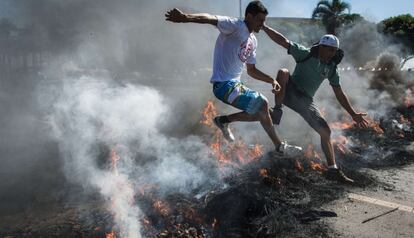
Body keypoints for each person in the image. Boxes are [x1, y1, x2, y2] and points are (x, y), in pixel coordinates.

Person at [165, 1, 301, 155]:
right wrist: (185, 17)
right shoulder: (235, 25)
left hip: (235, 84)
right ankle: (280, 147)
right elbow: (210, 18)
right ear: (249, 16)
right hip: (223, 85)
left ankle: (223, 121)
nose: (262, 25)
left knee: (264, 114)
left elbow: (252, 70)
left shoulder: (253, 41)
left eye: (264, 21)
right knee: (263, 103)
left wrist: (272, 80)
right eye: (260, 20)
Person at [262, 24, 369, 183]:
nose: (330, 53)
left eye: (333, 50)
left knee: (325, 132)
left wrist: (353, 114)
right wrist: (264, 27)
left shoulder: (332, 68)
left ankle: (332, 170)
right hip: (289, 91)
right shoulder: (305, 54)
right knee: (283, 72)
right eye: (327, 49)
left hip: (305, 101)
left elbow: (339, 93)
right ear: (320, 47)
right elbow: (283, 41)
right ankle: (277, 110)